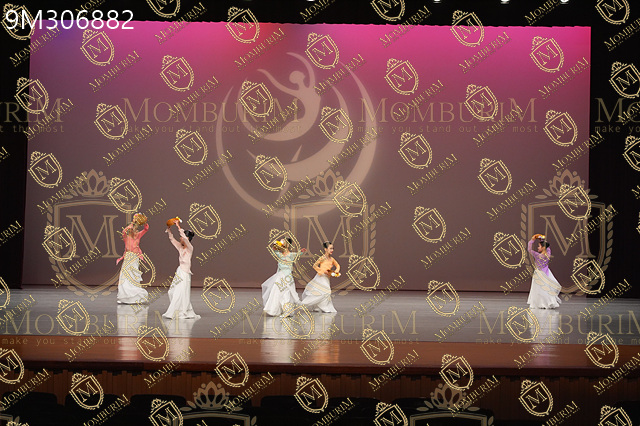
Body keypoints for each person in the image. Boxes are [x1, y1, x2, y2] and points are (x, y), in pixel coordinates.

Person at [163, 223, 200, 319]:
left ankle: (181, 311)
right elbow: (172, 240)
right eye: (180, 237)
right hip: (180, 272)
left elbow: (185, 240)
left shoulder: (190, 248)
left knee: (181, 293)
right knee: (172, 291)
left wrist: (178, 226)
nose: (180, 238)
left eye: (182, 237)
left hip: (185, 273)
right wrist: (169, 230)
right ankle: (177, 309)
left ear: (187, 238)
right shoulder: (180, 247)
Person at [262, 238, 306, 317]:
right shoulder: (279, 254)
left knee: (286, 293)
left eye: (284, 243)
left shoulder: (291, 255)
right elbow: (274, 249)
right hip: (280, 276)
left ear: (287, 245)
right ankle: (275, 310)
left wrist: (301, 252)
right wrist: (276, 244)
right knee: (277, 292)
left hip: (287, 277)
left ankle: (287, 311)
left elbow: (298, 254)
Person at [116, 216, 149, 304]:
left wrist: (144, 222)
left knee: (133, 275)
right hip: (128, 257)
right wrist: (133, 222)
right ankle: (124, 296)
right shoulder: (126, 237)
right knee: (125, 276)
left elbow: (146, 229)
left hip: (134, 258)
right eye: (134, 230)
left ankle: (135, 296)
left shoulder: (138, 236)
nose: (136, 231)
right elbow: (124, 230)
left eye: (136, 230)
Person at [301, 241, 339, 313]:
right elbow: (314, 266)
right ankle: (323, 307)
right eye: (330, 248)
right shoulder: (322, 258)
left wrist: (336, 271)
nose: (332, 250)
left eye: (333, 248)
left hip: (326, 277)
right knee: (326, 291)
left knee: (321, 292)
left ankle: (318, 306)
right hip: (321, 277)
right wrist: (322, 271)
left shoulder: (332, 259)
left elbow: (338, 265)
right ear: (325, 249)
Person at [527, 234, 562, 309]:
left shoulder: (537, 255)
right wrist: (542, 240)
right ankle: (547, 302)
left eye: (539, 246)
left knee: (538, 289)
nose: (538, 247)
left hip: (539, 274)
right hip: (546, 273)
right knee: (545, 288)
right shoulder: (548, 254)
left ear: (543, 247)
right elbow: (548, 247)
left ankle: (541, 303)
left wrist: (532, 240)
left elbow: (529, 249)